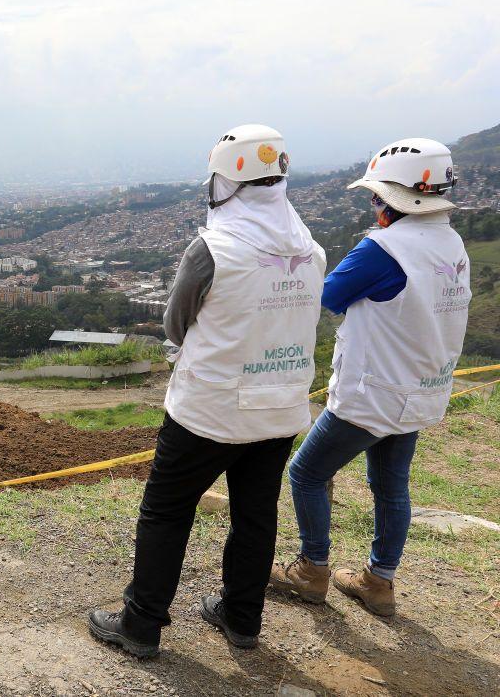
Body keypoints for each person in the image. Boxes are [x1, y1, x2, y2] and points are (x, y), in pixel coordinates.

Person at [88, 125, 326, 656]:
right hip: (280, 408)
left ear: (227, 180)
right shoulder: (311, 250)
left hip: (209, 410)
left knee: (167, 511)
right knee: (256, 515)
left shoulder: (212, 248)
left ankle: (141, 623)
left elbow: (175, 326)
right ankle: (242, 619)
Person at [270, 139, 470, 617]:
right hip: (422, 387)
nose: (374, 204)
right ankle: (378, 582)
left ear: (394, 197)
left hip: (374, 393)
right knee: (391, 486)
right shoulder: (451, 242)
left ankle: (312, 571)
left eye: (377, 195)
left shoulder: (383, 249)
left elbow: (328, 296)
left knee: (307, 472)